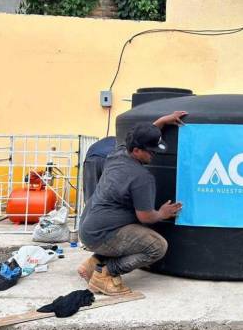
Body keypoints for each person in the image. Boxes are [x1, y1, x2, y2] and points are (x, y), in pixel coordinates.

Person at [78, 111, 187, 296]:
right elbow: (145, 217)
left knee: (128, 230)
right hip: (102, 234)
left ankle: (94, 263)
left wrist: (161, 121)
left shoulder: (118, 153)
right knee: (157, 246)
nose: (154, 154)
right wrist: (162, 213)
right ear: (136, 150)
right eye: (151, 151)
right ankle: (105, 274)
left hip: (88, 228)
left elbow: (142, 135)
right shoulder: (141, 177)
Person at [82, 136, 117, 202]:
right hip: (108, 159)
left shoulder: (111, 141)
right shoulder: (129, 145)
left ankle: (90, 210)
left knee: (90, 193)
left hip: (91, 158)